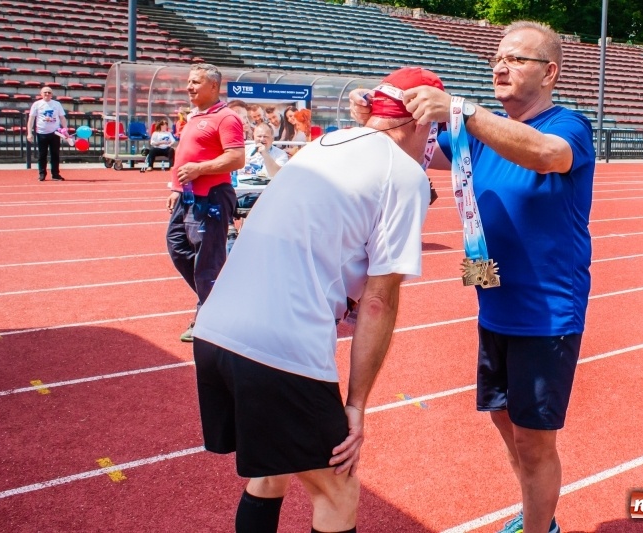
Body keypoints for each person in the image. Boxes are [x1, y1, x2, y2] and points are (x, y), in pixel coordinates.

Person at [352, 20, 595, 533]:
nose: (500, 67)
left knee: (534, 441)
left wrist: (463, 110)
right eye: (496, 59)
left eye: (516, 59)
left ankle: (539, 528)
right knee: (507, 425)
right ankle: (538, 515)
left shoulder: (568, 126)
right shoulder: (479, 136)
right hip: (495, 305)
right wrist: (377, 114)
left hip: (548, 312)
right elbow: (410, 148)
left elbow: (547, 155)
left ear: (549, 72)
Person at [191, 66, 443, 533]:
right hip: (280, 348)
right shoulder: (404, 174)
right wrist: (356, 406)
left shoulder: (323, 143)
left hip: (215, 329)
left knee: (272, 471)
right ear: (421, 122)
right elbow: (378, 301)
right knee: (337, 488)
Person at [165, 63, 246, 343]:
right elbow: (184, 155)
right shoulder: (194, 116)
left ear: (213, 86)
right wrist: (176, 187)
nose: (189, 87)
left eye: (196, 82)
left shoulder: (226, 118)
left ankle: (208, 320)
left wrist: (200, 169)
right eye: (189, 81)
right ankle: (218, 300)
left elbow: (236, 158)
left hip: (211, 197)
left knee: (208, 261)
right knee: (177, 246)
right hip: (187, 196)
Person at [26, 86, 68, 181]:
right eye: (45, 92)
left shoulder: (57, 104)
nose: (47, 94)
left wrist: (65, 130)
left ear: (51, 94)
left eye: (49, 92)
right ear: (41, 94)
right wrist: (29, 133)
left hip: (55, 133)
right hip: (42, 133)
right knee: (42, 155)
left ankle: (55, 174)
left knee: (55, 154)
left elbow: (62, 118)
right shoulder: (37, 104)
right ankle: (42, 174)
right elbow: (31, 119)